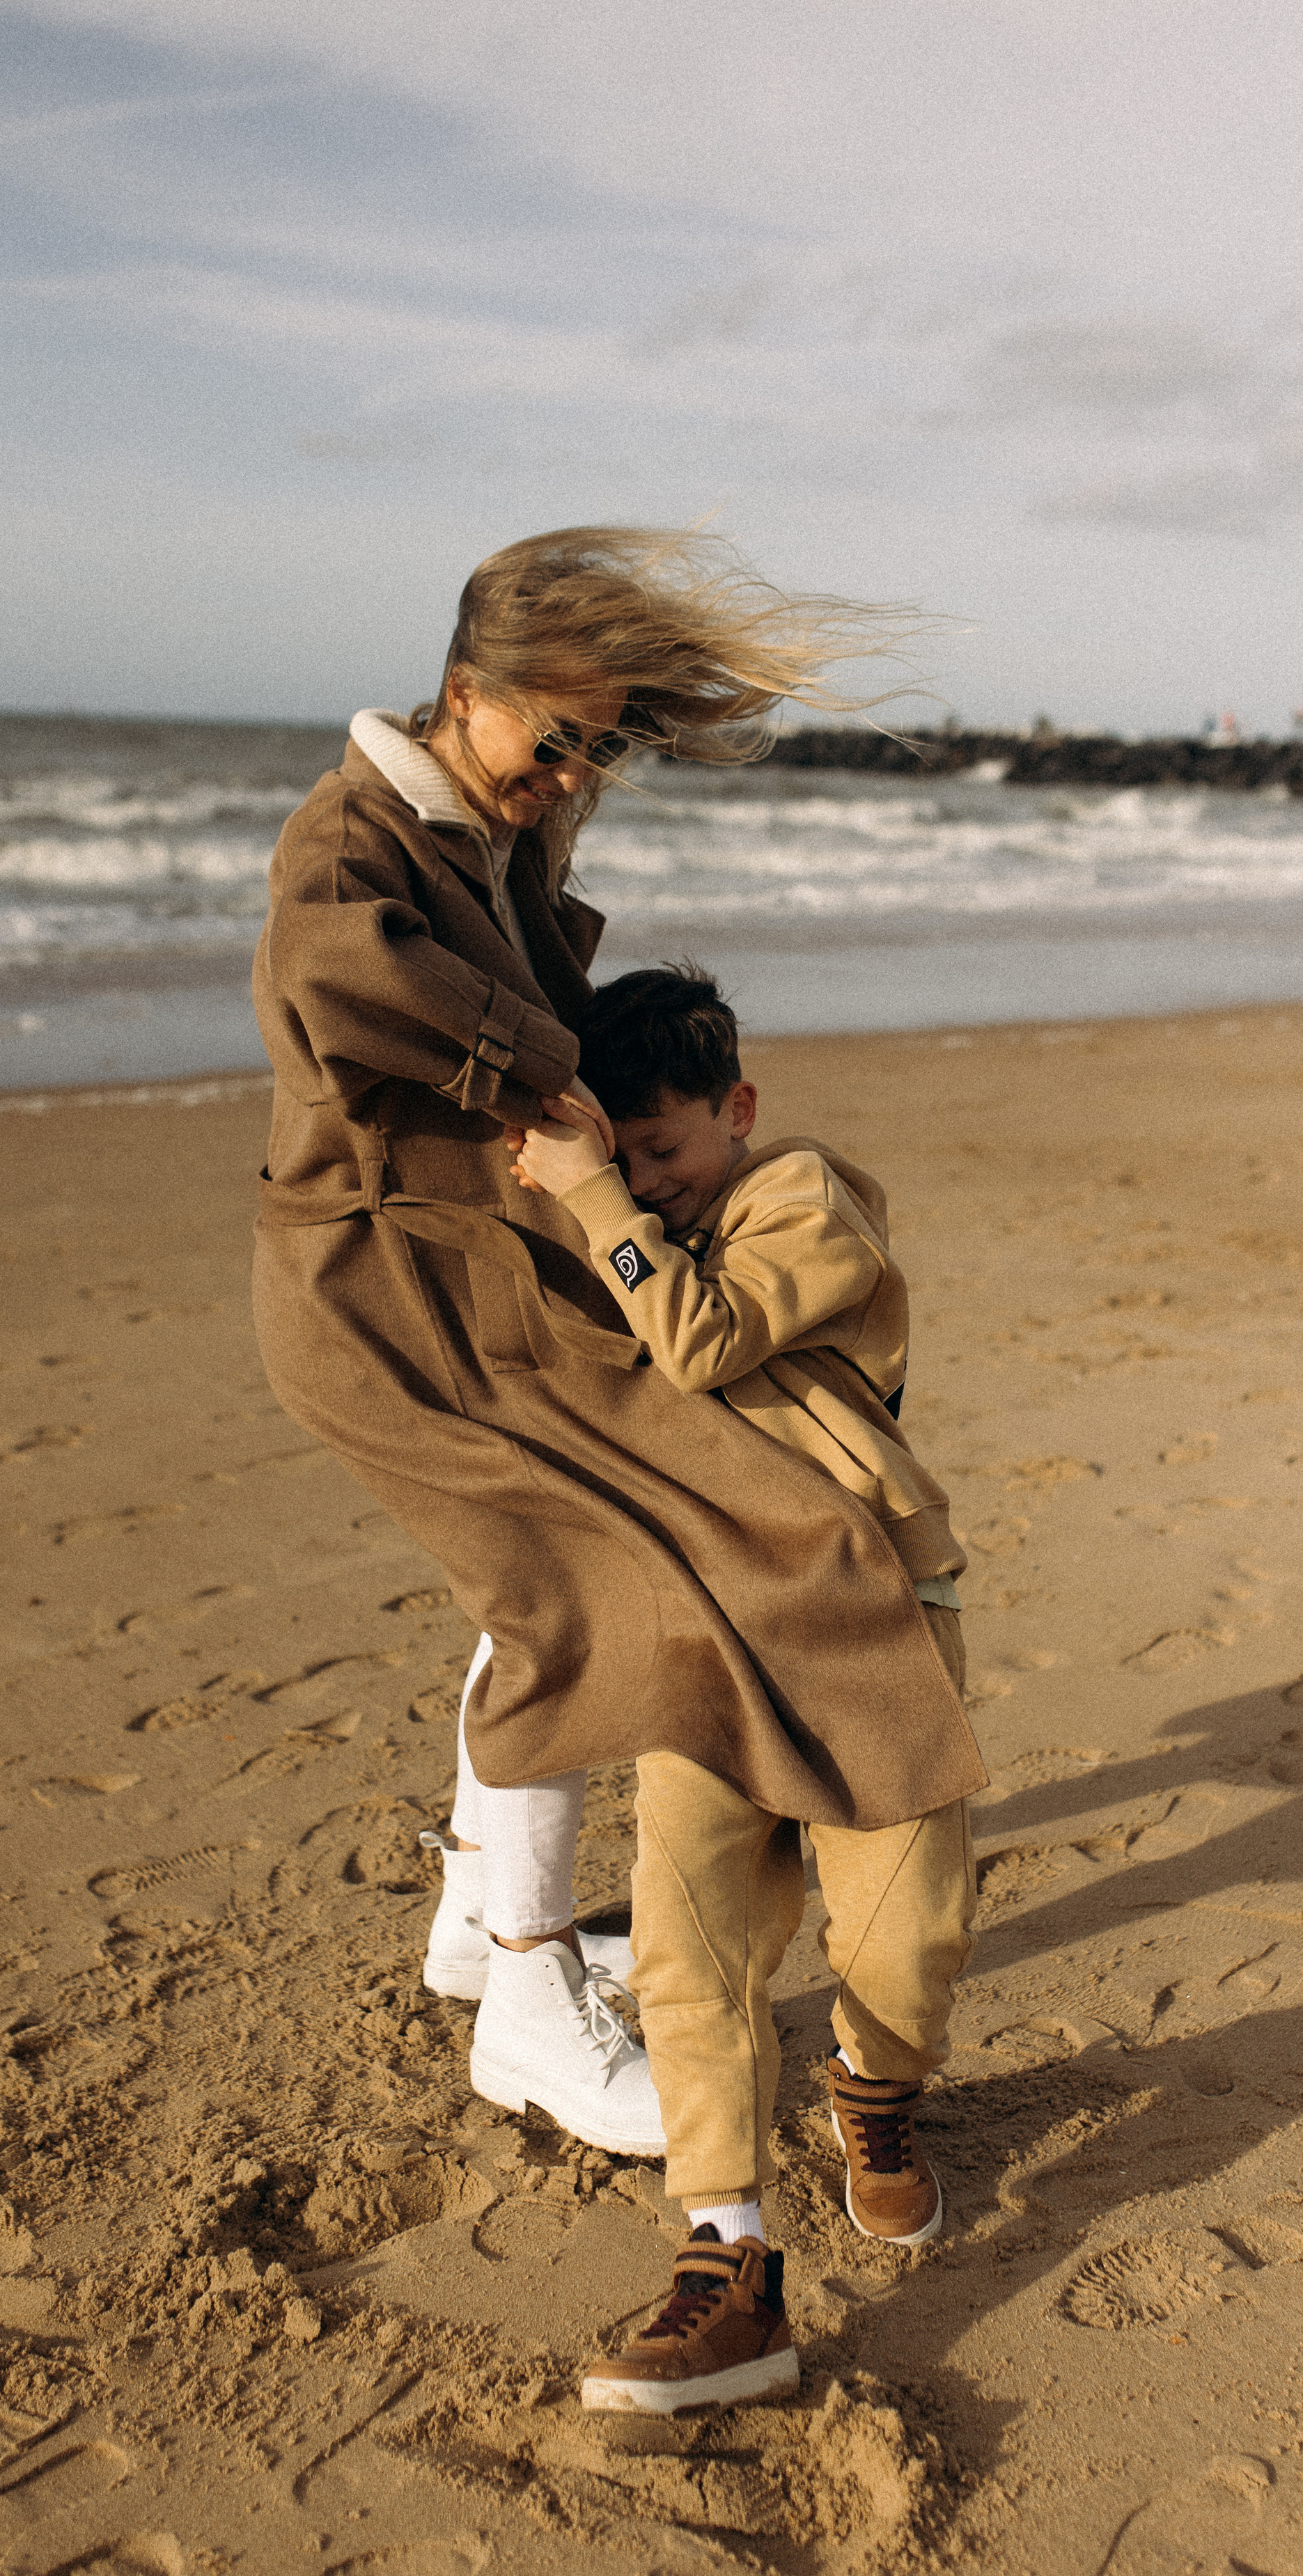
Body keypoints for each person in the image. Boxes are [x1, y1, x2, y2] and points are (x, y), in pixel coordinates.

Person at [251, 528, 984, 2164]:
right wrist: (546, 1076)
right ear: (462, 696)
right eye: (548, 735)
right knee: (584, 1592)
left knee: (563, 1580)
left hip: (486, 1284)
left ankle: (471, 1922)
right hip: (383, 1302)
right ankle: (524, 2004)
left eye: (600, 745)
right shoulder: (355, 835)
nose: (569, 768)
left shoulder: (479, 826)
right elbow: (324, 966)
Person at [508, 965, 981, 2415]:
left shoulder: (800, 1200)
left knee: (904, 1934)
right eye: (624, 1154)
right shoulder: (614, 1226)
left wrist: (600, 1201)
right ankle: (725, 2252)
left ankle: (873, 2087)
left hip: (866, 1613)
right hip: (704, 1624)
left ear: (738, 1112)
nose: (648, 1181)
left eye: (666, 1151)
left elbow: (701, 1337)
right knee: (686, 1941)